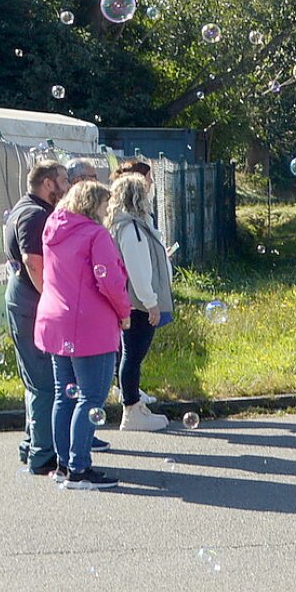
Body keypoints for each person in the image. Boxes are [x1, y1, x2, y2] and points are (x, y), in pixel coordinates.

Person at [37, 180, 132, 490]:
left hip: (56, 321)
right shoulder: (96, 234)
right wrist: (124, 312)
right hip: (90, 324)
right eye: (105, 205)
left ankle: (64, 464)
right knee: (90, 396)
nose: (108, 211)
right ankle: (80, 468)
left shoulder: (52, 228)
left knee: (64, 395)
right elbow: (110, 282)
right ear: (93, 205)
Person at [3, 161, 69, 476]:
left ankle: (32, 444)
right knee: (44, 381)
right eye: (63, 180)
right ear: (47, 182)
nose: (67, 187)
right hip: (31, 301)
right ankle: (43, 455)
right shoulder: (35, 214)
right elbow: (33, 259)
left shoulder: (24, 207)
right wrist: (50, 299)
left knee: (33, 379)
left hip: (21, 298)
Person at [108, 174, 173, 432]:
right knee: (133, 356)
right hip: (139, 305)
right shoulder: (132, 228)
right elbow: (138, 270)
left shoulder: (128, 225)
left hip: (134, 303)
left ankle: (134, 406)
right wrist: (151, 303)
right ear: (137, 197)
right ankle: (132, 410)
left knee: (130, 354)